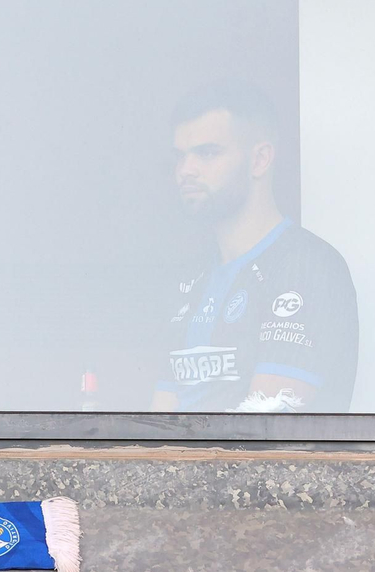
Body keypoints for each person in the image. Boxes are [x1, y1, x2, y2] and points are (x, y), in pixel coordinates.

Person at [154, 83, 359, 413]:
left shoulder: (307, 265)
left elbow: (264, 426)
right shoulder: (189, 280)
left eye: (207, 153)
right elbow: (159, 422)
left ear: (260, 160)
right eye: (180, 156)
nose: (186, 170)